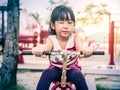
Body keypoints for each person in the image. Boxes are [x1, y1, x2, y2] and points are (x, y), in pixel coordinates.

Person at [32, 5, 98, 90]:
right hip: (55, 69)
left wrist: (88, 50)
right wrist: (37, 49)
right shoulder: (51, 39)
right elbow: (45, 49)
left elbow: (81, 49)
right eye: (61, 22)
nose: (66, 26)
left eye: (69, 22)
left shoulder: (75, 38)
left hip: (72, 70)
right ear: (53, 25)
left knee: (78, 75)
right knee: (46, 73)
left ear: (73, 25)